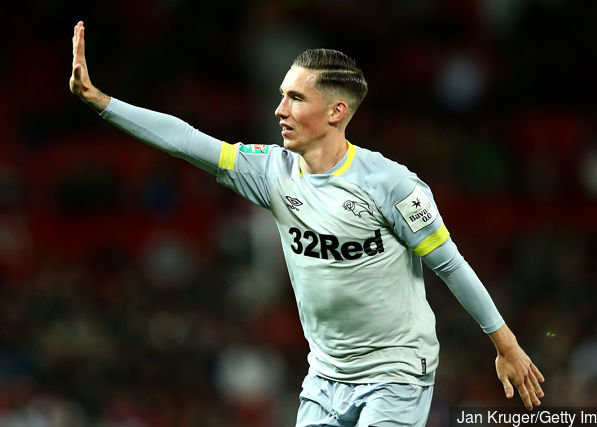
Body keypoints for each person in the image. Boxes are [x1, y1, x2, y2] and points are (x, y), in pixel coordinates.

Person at [70, 21, 544, 426]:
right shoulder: (271, 171)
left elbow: (450, 265)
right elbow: (187, 141)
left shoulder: (391, 185)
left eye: (296, 98)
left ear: (337, 112)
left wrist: (506, 344)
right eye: (281, 97)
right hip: (324, 377)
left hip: (396, 374)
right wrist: (100, 101)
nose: (280, 110)